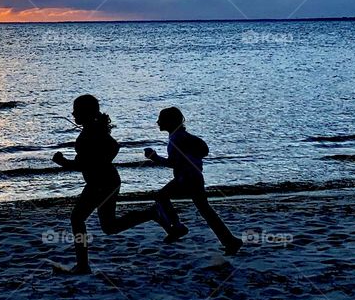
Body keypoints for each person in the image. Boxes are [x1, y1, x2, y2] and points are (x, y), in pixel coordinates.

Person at [51, 94, 173, 274]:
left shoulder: (89, 134)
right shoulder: (95, 130)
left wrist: (62, 161)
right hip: (107, 181)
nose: (72, 113)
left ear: (85, 112)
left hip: (101, 184)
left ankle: (83, 266)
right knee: (109, 226)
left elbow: (84, 164)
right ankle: (152, 213)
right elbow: (112, 148)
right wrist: (101, 161)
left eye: (76, 110)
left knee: (77, 219)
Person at [144, 107, 244, 256]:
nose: (158, 122)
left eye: (161, 119)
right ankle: (229, 240)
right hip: (195, 176)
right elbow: (204, 149)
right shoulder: (183, 136)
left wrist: (154, 157)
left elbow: (172, 163)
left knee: (161, 196)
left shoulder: (176, 138)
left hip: (186, 178)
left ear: (170, 122)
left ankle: (177, 226)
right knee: (205, 210)